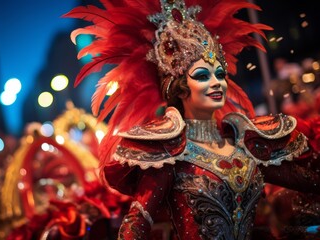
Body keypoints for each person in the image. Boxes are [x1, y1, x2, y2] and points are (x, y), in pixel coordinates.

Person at [65, 0, 320, 239]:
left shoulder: (247, 144)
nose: (216, 82)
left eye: (220, 74)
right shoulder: (171, 154)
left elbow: (312, 181)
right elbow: (134, 227)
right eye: (202, 75)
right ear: (178, 88)